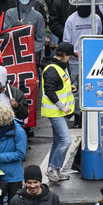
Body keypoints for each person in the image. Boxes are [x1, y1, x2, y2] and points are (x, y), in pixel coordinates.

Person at [42, 43, 77, 181]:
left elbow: (59, 86)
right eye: (69, 56)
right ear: (64, 56)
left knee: (57, 142)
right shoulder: (52, 69)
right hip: (55, 112)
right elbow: (49, 91)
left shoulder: (59, 66)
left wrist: (71, 87)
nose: (70, 59)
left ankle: (55, 170)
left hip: (59, 112)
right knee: (66, 141)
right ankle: (52, 169)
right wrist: (62, 106)